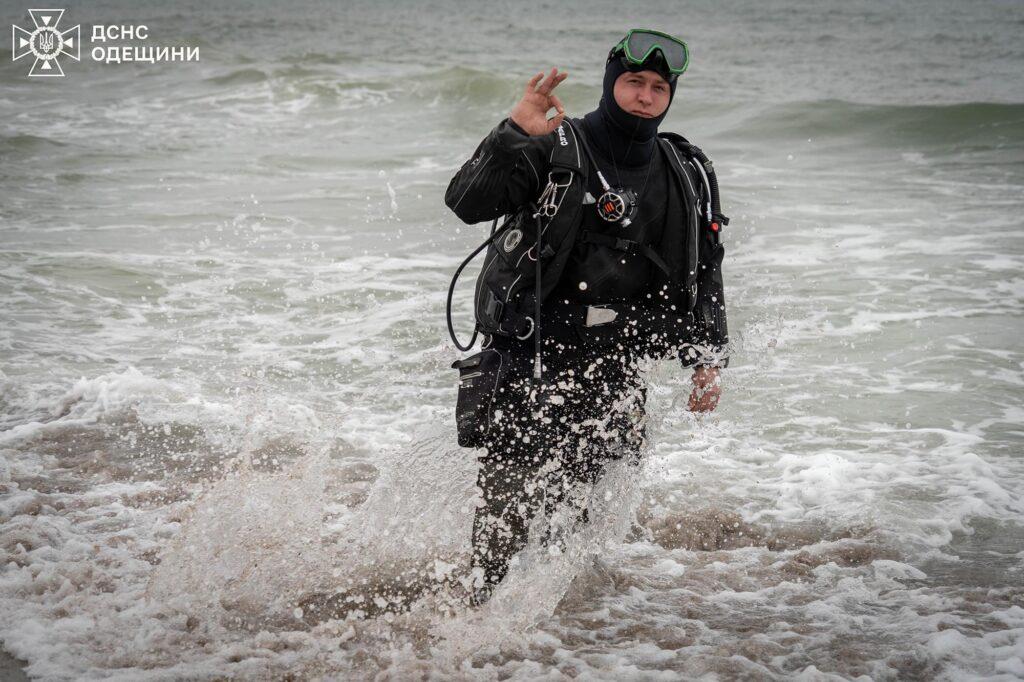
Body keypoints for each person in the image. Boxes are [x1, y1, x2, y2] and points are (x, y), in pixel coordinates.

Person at [444, 29, 731, 605]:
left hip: (616, 364)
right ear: (610, 84)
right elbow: (465, 201)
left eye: (657, 87)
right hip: (534, 357)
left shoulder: (683, 169)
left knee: (580, 523)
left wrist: (708, 358)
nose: (645, 96)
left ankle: (562, 634)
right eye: (633, 82)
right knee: (505, 516)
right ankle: (466, 623)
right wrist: (514, 132)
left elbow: (706, 267)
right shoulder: (556, 145)